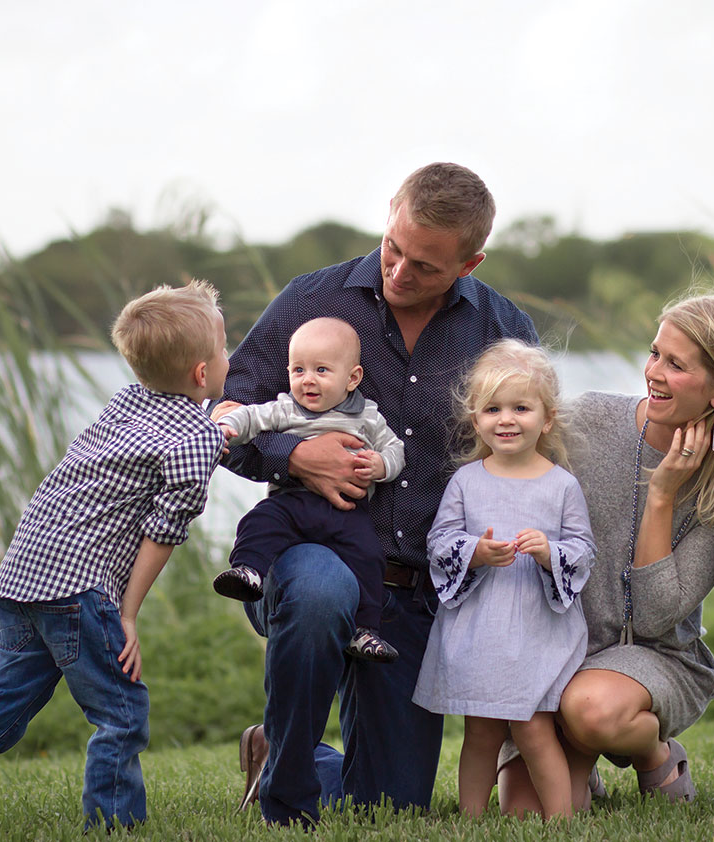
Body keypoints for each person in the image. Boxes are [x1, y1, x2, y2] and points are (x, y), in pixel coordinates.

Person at [221, 162, 538, 826]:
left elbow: (528, 451)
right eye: (393, 248)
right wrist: (294, 453)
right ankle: (284, 806)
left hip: (413, 592)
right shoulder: (310, 301)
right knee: (314, 595)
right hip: (310, 546)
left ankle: (284, 754)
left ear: (469, 262)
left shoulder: (502, 331)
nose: (398, 273)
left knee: (389, 807)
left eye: (424, 265)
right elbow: (224, 418)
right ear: (389, 217)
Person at [0, 279, 229, 834]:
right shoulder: (194, 435)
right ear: (203, 374)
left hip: (23, 576)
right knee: (121, 716)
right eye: (225, 349)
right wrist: (127, 613)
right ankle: (112, 827)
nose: (231, 357)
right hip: (77, 590)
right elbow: (164, 530)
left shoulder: (126, 402)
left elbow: (160, 438)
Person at [497, 293, 714, 814]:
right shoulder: (587, 421)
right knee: (523, 813)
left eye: (676, 365)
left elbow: (659, 615)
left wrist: (662, 495)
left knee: (592, 709)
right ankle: (580, 757)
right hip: (557, 650)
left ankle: (654, 756)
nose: (653, 373)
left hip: (656, 659)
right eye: (655, 353)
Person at [412, 339, 595, 819]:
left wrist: (548, 552)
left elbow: (582, 551)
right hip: (482, 630)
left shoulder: (561, 485)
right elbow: (439, 541)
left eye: (520, 408)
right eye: (492, 409)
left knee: (534, 727)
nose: (506, 419)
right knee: (482, 732)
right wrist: (475, 551)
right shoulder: (467, 481)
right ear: (476, 420)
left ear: (547, 418)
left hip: (537, 632)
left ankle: (562, 820)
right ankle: (471, 817)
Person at [211, 316, 406, 663]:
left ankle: (364, 629)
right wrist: (226, 425)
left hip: (347, 511)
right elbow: (251, 417)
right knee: (260, 520)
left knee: (370, 556)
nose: (308, 380)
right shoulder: (287, 409)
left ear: (353, 378)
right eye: (298, 370)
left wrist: (381, 466)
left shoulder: (368, 416)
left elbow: (395, 450)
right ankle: (249, 571)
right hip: (293, 501)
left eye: (321, 370)